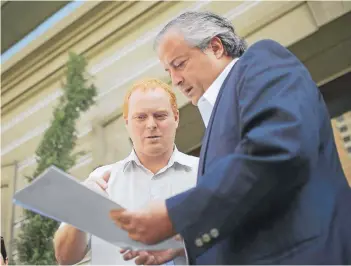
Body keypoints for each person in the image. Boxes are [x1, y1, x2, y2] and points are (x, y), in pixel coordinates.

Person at [109, 11, 351, 264]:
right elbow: (250, 202)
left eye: (179, 64)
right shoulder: (219, 114)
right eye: (168, 71)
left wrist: (175, 214)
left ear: (215, 47)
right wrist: (184, 243)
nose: (175, 81)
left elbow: (277, 153)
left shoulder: (261, 61)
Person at [53, 79, 199, 265]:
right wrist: (83, 207)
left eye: (160, 115)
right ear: (127, 123)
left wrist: (182, 246)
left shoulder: (204, 173)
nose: (151, 124)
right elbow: (64, 258)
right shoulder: (100, 181)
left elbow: (234, 241)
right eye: (141, 117)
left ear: (176, 118)